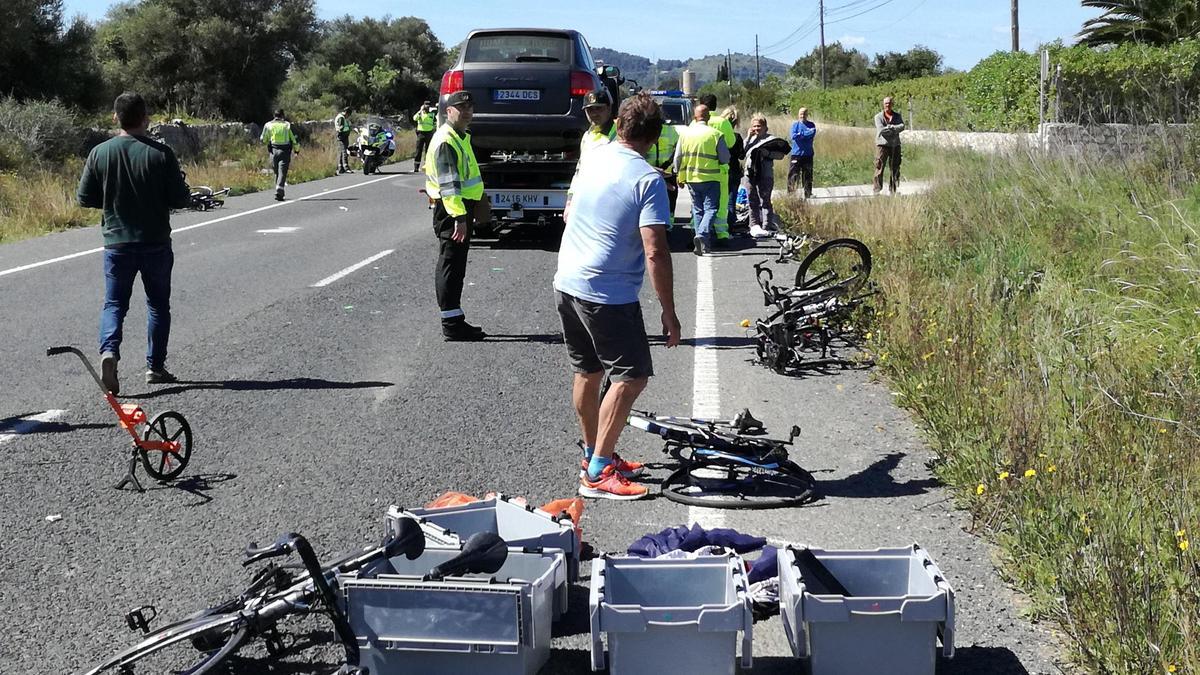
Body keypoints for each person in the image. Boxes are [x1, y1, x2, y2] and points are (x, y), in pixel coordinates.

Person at [554, 93, 681, 500]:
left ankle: (595, 453)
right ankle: (598, 473)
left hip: (568, 280)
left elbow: (571, 212)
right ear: (655, 135)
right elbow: (656, 250)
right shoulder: (647, 179)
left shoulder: (594, 157)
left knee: (588, 372)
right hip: (606, 293)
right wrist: (669, 311)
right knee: (631, 376)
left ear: (620, 124)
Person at [77, 91, 191, 394]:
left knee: (114, 304)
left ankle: (109, 351)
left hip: (117, 243)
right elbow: (180, 198)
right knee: (157, 305)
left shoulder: (100, 153)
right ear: (145, 117)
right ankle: (155, 366)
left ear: (116, 117)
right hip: (155, 241)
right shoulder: (160, 154)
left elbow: (84, 197)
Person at [425, 90, 488, 341]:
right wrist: (459, 218)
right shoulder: (446, 140)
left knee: (457, 264)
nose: (467, 112)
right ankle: (451, 323)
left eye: (470, 107)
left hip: (461, 207)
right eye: (461, 108)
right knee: (451, 264)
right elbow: (449, 184)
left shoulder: (461, 136)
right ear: (448, 111)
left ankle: (455, 317)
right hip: (453, 209)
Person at [674, 104, 729, 256]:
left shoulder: (685, 135)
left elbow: (677, 157)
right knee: (711, 209)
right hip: (711, 177)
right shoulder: (716, 134)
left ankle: (702, 245)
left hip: (691, 178)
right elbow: (725, 158)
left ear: (694, 117)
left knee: (697, 210)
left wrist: (678, 173)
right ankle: (702, 234)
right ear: (708, 117)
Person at [744, 114, 791, 238]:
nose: (757, 128)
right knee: (751, 201)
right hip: (750, 175)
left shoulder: (771, 139)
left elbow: (780, 155)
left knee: (765, 201)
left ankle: (766, 225)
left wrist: (768, 153)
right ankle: (753, 226)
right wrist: (748, 138)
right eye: (754, 126)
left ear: (765, 127)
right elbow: (742, 153)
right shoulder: (750, 139)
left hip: (765, 174)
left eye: (759, 126)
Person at [698, 94, 735, 244]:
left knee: (699, 204)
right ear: (715, 105)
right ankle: (721, 233)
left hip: (698, 169)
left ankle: (700, 231)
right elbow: (731, 143)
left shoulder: (695, 123)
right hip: (719, 169)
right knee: (720, 202)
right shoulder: (722, 122)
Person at [643, 116, 680, 225]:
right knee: (668, 197)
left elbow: (678, 148)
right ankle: (667, 223)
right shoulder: (670, 130)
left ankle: (667, 223)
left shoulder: (646, 129)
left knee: (668, 196)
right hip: (658, 170)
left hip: (656, 171)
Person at [260, 109, 300, 201]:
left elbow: (263, 139)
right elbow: (294, 140)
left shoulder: (268, 125)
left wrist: (267, 142)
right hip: (285, 151)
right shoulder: (287, 125)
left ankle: (279, 191)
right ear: (283, 116)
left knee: (276, 171)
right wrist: (297, 150)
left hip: (273, 151)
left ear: (274, 116)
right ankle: (279, 189)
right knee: (282, 171)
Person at [873, 96, 905, 195]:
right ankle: (877, 190)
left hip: (895, 145)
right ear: (883, 104)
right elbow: (881, 130)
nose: (888, 105)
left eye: (890, 103)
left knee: (895, 167)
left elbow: (902, 126)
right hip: (882, 145)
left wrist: (891, 127)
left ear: (892, 104)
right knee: (879, 166)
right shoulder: (878, 117)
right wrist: (894, 130)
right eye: (886, 103)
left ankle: (893, 190)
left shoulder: (897, 116)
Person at [721, 106, 745, 234]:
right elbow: (742, 155)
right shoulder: (737, 137)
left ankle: (718, 229)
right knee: (731, 202)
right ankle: (729, 229)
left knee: (719, 203)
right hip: (734, 170)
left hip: (721, 170)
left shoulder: (717, 136)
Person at [580, 89, 617, 161]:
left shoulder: (621, 134)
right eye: (590, 110)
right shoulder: (587, 136)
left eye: (599, 108)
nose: (594, 114)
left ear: (609, 109)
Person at [788, 107, 816, 197]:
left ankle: (808, 193)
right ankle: (791, 194)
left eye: (804, 113)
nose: (802, 115)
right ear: (798, 115)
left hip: (808, 154)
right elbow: (793, 136)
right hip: (796, 154)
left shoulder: (811, 125)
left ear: (807, 115)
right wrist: (804, 134)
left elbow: (811, 133)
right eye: (801, 114)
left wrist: (800, 134)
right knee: (793, 175)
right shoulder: (795, 125)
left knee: (808, 174)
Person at [412, 101, 437, 173]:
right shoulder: (420, 114)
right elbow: (415, 118)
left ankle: (427, 166)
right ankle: (416, 167)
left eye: (428, 106)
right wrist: (420, 111)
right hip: (421, 134)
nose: (427, 107)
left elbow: (435, 123)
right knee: (418, 150)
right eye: (426, 105)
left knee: (428, 151)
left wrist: (434, 130)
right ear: (423, 106)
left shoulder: (432, 114)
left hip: (429, 134)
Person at [334, 107, 352, 174]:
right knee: (344, 151)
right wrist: (348, 129)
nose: (348, 116)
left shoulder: (341, 117)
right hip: (342, 136)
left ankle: (340, 168)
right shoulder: (341, 118)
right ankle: (346, 167)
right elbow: (341, 128)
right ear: (347, 113)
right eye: (349, 114)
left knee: (341, 152)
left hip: (343, 136)